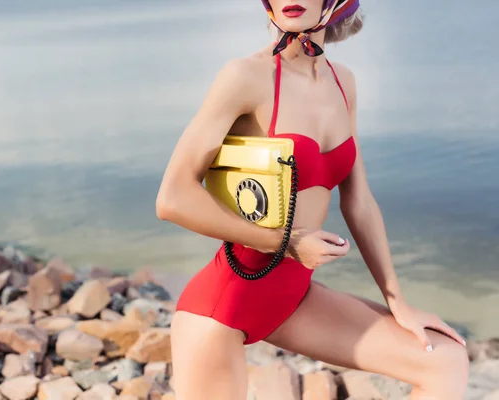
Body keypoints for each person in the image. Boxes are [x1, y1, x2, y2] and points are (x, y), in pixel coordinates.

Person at [155, 1, 469, 399]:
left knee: (444, 359)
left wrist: (398, 301)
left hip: (293, 298)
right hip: (223, 307)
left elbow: (359, 201)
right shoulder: (246, 77)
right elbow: (173, 197)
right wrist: (288, 243)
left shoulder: (343, 83)